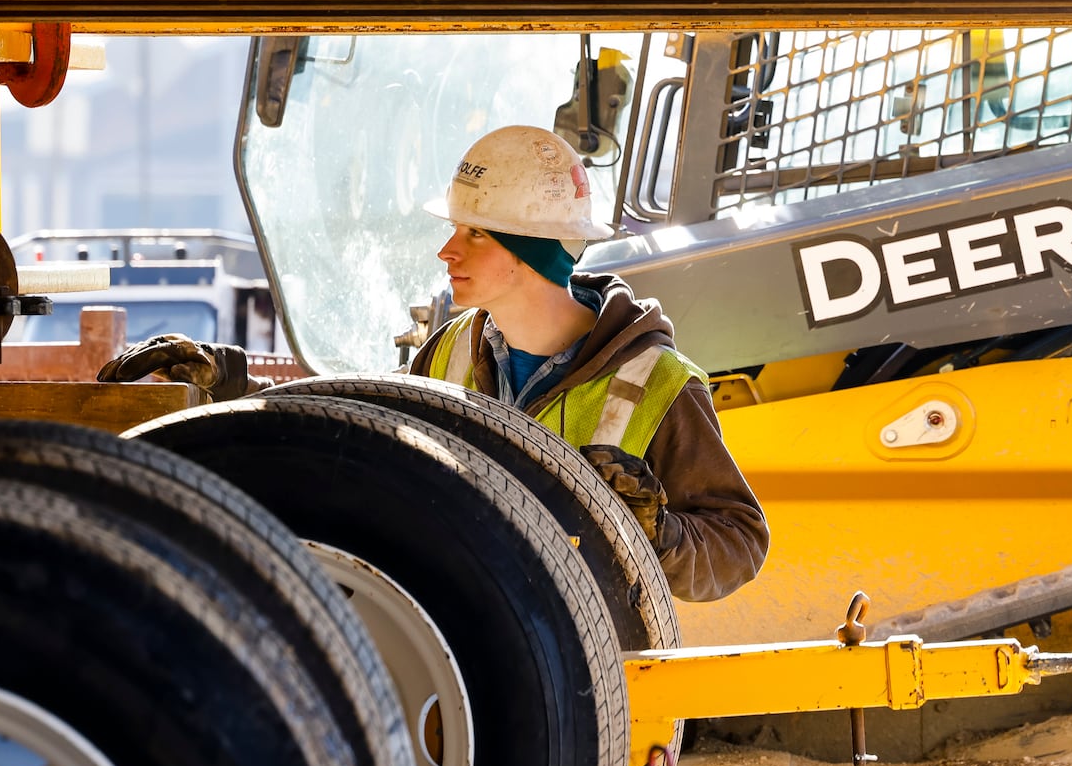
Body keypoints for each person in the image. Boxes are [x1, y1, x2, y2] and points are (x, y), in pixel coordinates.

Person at [99, 125, 769, 602]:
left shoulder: (655, 381)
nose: (447, 251)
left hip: (601, 684)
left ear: (528, 251)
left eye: (473, 232)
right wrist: (235, 387)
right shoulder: (452, 348)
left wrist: (661, 533)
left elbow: (739, 543)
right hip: (468, 641)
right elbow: (359, 430)